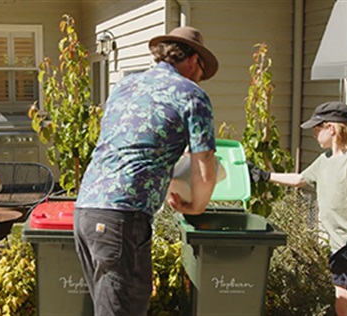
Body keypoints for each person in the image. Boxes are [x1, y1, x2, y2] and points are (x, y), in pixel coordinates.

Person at [73, 26, 219, 316]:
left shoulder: (124, 87)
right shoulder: (192, 95)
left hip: (87, 211)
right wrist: (194, 206)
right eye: (202, 70)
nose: (201, 77)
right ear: (193, 61)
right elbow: (205, 164)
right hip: (122, 219)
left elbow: (136, 147)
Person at [249, 101, 347, 316]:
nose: (313, 134)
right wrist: (265, 175)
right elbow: (300, 179)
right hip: (340, 249)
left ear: (331, 128)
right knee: (341, 307)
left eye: (316, 129)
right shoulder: (325, 160)